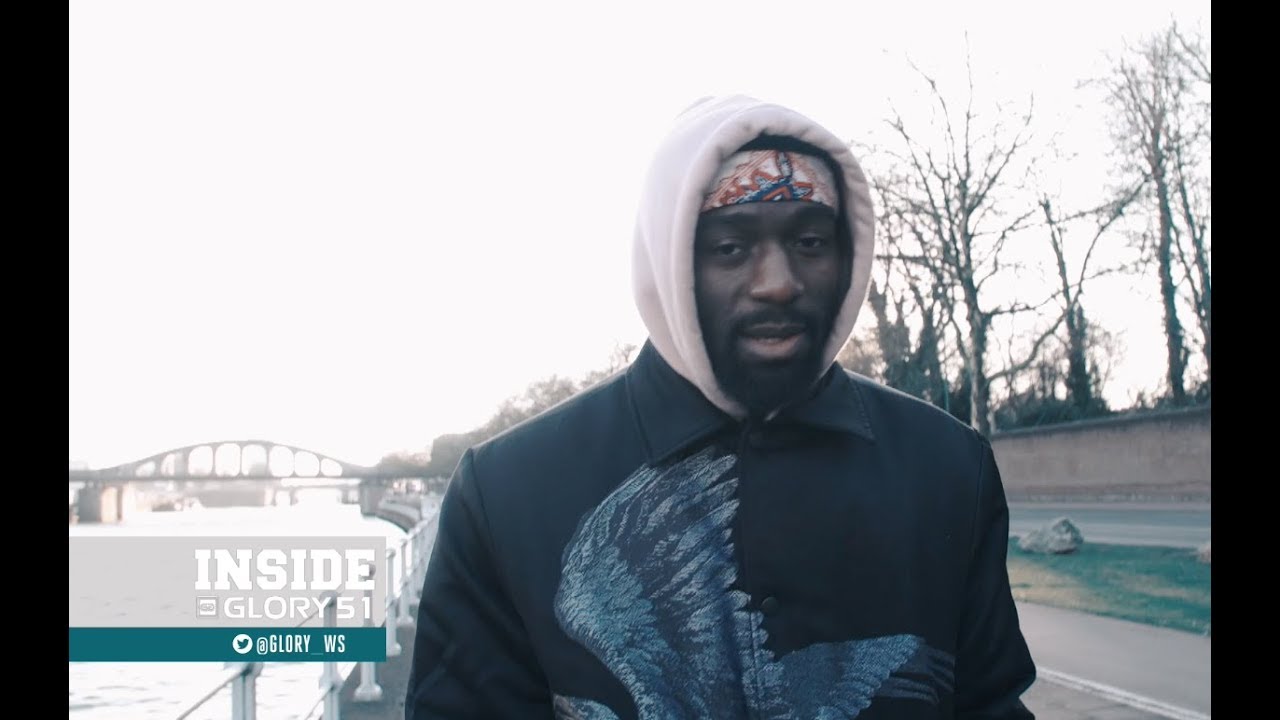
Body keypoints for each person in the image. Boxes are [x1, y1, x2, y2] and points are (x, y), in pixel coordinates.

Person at [405, 95, 1037, 719]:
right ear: (669, 261)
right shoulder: (506, 494)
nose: (778, 283)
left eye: (811, 241)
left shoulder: (949, 467)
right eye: (730, 247)